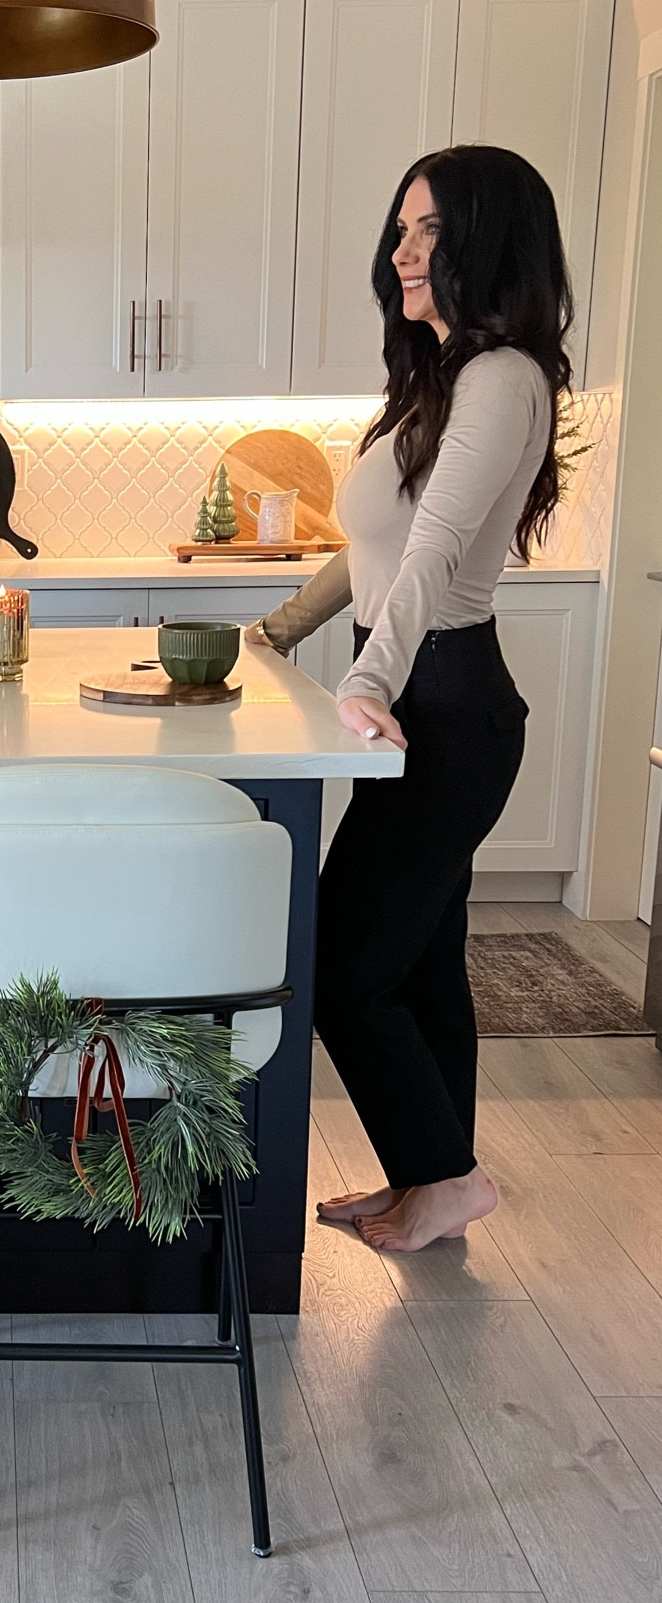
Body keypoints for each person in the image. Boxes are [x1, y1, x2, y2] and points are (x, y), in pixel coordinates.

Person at [250, 145, 569, 1253]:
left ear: (492, 242)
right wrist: (276, 632)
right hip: (431, 701)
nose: (404, 251)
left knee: (343, 967)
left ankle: (444, 1177)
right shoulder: (439, 380)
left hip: (450, 704)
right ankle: (430, 1181)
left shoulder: (504, 378)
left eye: (431, 230)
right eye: (401, 230)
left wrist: (370, 676)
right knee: (422, 961)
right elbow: (373, 546)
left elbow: (433, 551)